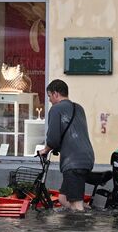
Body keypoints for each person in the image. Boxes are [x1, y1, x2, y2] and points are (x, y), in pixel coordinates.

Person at [38, 79, 95, 212]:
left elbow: (53, 139)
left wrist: (45, 150)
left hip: (73, 162)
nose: (50, 100)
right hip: (87, 157)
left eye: (49, 96)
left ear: (56, 94)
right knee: (63, 199)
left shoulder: (56, 109)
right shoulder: (79, 108)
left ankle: (83, 227)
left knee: (76, 204)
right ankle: (86, 215)